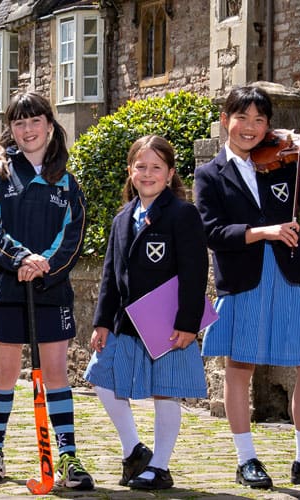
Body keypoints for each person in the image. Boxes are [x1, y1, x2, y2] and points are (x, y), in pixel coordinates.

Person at [193, 84, 300, 489]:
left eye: (260, 120)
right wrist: (263, 231)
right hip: (244, 279)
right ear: (225, 121)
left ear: (269, 125)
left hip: (287, 275)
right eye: (243, 118)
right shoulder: (209, 174)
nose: (250, 127)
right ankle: (246, 458)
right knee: (239, 370)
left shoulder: (283, 163)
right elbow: (212, 232)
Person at [0, 91, 93, 491]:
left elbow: (72, 236)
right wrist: (22, 258)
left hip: (51, 290)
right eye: (19, 123)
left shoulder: (68, 182)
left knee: (57, 373)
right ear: (11, 128)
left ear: (49, 124)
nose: (27, 130)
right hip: (6, 288)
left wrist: (45, 266)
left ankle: (68, 457)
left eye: (35, 120)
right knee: (5, 371)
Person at [83, 135, 209, 490]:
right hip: (125, 322)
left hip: (167, 323)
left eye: (156, 167)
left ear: (169, 174)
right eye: (141, 166)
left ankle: (161, 467)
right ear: (130, 171)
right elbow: (110, 274)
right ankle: (134, 449)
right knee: (101, 378)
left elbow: (195, 273)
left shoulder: (183, 215)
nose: (148, 173)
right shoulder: (122, 217)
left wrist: (188, 323)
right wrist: (101, 322)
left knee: (165, 391)